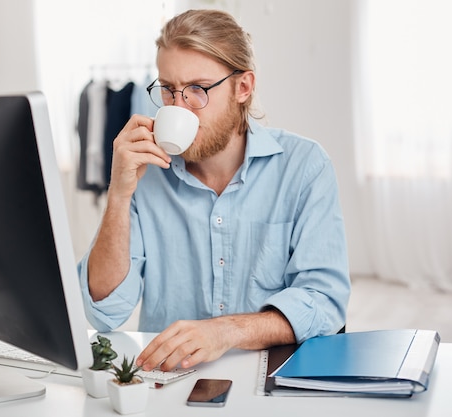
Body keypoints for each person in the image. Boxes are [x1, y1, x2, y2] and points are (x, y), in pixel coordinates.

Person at [77, 9, 350, 372]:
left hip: (269, 377)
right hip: (169, 382)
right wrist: (119, 194)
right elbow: (105, 312)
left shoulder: (304, 167)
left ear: (243, 87)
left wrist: (224, 332)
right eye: (169, 90)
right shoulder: (146, 174)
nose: (178, 107)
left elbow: (326, 302)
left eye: (197, 90)